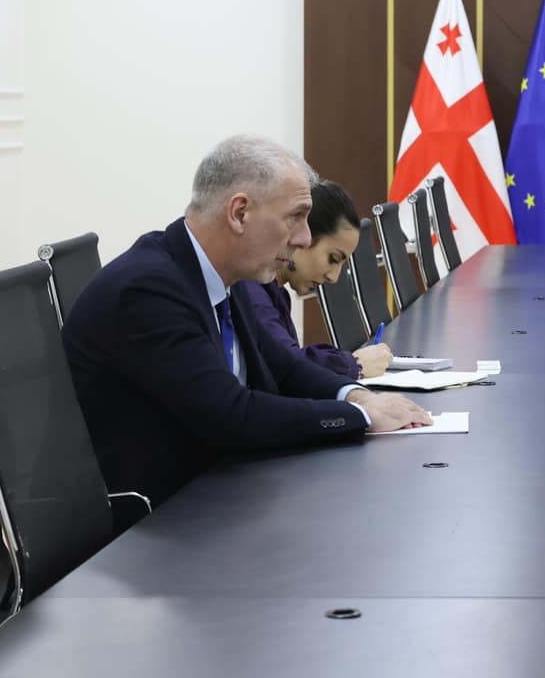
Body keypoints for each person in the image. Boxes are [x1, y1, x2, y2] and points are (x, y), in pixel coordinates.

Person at [65, 135, 431, 514]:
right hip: (158, 518)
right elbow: (231, 416)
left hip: (220, 490)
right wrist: (362, 418)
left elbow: (284, 368)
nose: (304, 238)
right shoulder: (147, 290)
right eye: (296, 217)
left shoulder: (227, 275)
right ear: (240, 213)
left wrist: (358, 397)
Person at [236, 178, 393, 379]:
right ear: (303, 235)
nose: (333, 277)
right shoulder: (251, 290)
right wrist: (355, 365)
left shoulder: (277, 293)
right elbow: (289, 366)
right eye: (333, 259)